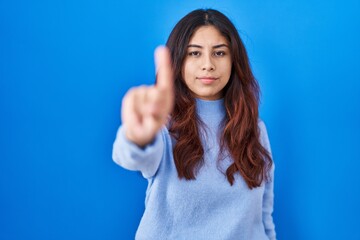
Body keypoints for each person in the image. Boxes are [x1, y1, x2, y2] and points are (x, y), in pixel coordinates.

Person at [112, 8, 276, 240]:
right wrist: (137, 137)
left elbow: (263, 217)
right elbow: (130, 157)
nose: (208, 64)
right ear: (177, 61)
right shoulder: (163, 125)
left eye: (219, 53)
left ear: (234, 60)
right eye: (194, 53)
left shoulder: (255, 129)